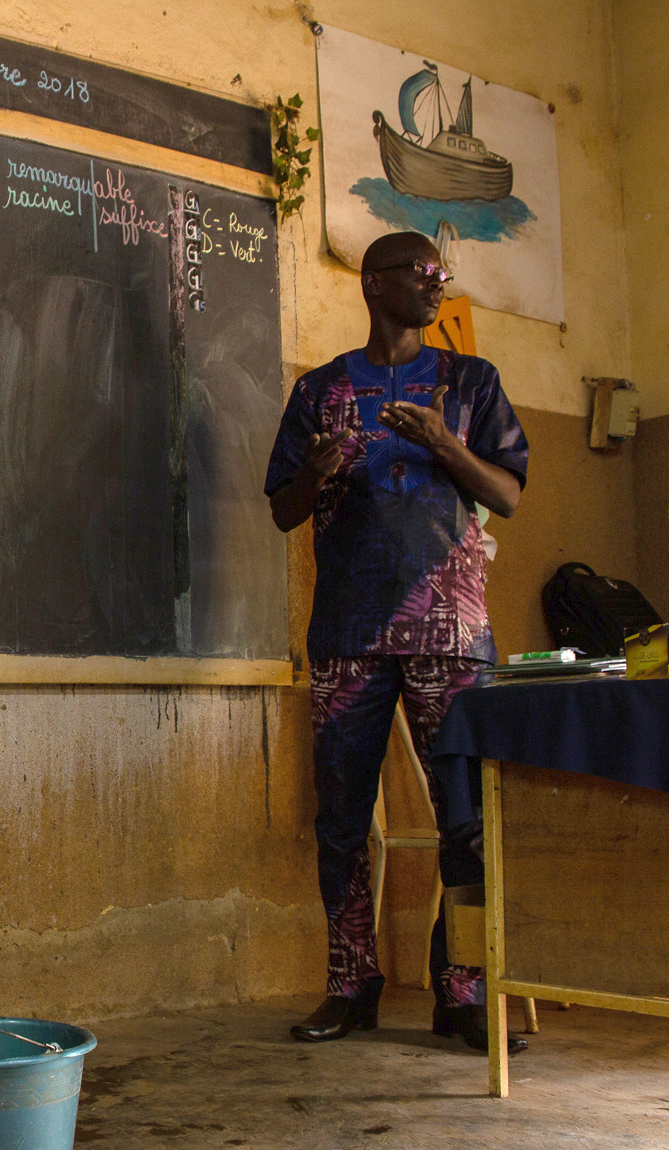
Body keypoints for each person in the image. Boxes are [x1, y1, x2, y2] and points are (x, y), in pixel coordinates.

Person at [263, 230, 529, 1055]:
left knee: (467, 821)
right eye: (423, 273)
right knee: (341, 821)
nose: (437, 285)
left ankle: (463, 990)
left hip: (451, 632)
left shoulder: (470, 383)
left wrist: (443, 442)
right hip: (348, 633)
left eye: (441, 274)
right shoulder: (321, 389)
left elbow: (509, 495)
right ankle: (352, 984)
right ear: (377, 285)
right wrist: (320, 469)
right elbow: (283, 508)